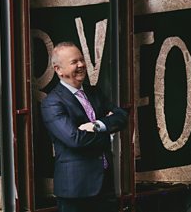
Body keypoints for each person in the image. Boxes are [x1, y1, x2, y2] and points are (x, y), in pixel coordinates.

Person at [40, 41, 128, 212]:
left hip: (105, 186)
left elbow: (122, 117)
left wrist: (97, 125)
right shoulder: (52, 103)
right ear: (58, 70)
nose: (81, 65)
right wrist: (109, 134)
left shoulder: (95, 92)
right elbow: (75, 139)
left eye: (82, 60)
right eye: (74, 62)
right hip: (76, 191)